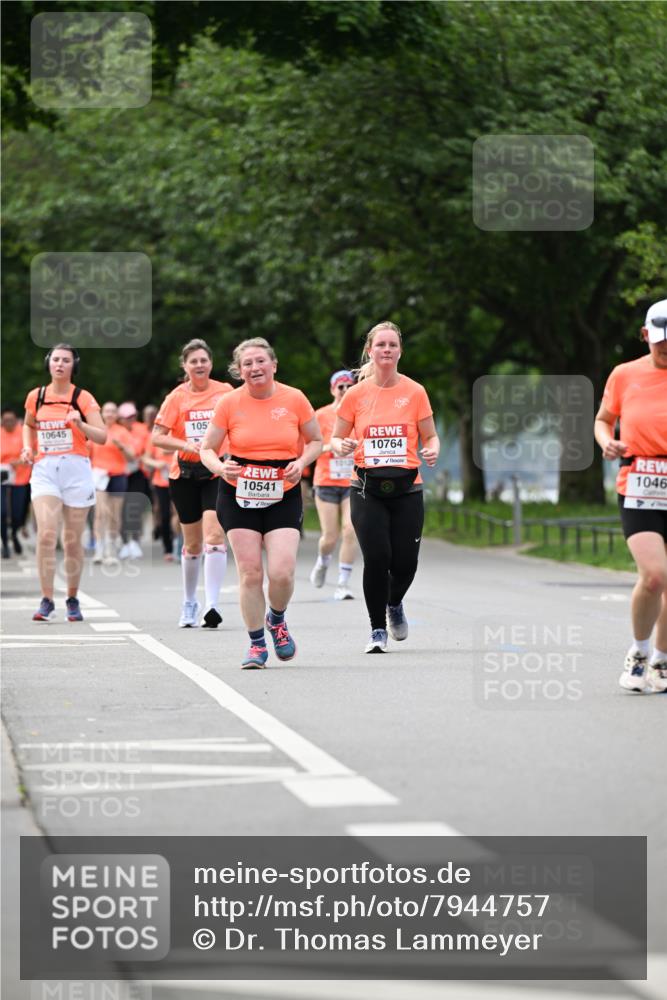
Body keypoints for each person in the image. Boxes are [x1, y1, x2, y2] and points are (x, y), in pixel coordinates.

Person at [200, 337, 322, 669]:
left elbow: (316, 440)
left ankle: (276, 619)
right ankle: (256, 644)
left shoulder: (294, 398)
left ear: (273, 365)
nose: (255, 368)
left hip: (283, 490)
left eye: (260, 361)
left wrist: (302, 461)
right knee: (251, 572)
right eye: (247, 364)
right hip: (238, 492)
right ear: (239, 371)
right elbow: (207, 448)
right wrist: (219, 467)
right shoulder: (229, 402)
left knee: (281, 572)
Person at [332, 321, 440, 653]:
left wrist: (432, 449)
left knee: (406, 564)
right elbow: (335, 438)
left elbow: (430, 436)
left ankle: (394, 603)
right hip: (367, 488)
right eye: (381, 345)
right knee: (378, 558)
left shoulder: (415, 392)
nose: (387, 350)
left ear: (400, 351)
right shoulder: (355, 395)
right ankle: (377, 629)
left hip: (408, 488)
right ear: (370, 350)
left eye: (393, 345)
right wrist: (341, 446)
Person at [594, 298, 667, 693]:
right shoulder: (625, 374)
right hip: (639, 481)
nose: (666, 348)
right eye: (659, 342)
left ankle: (662, 660)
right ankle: (639, 652)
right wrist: (607, 442)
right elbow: (604, 420)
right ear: (645, 336)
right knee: (654, 576)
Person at [21, 344, 106, 622]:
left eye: (65, 360)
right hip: (45, 470)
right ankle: (46, 599)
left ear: (73, 365)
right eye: (55, 359)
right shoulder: (36, 396)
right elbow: (28, 425)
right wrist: (27, 447)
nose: (59, 364)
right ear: (48, 363)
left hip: (76, 469)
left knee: (71, 540)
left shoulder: (83, 398)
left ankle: (72, 597)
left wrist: (80, 424)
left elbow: (102, 436)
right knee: (46, 534)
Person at [153, 339, 233, 627]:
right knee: (193, 543)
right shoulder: (177, 397)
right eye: (193, 361)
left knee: (215, 535)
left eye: (203, 360)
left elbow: (239, 423)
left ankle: (212, 605)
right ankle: (189, 601)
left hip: (215, 471)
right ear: (185, 366)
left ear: (210, 363)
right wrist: (185, 444)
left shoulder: (225, 392)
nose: (199, 365)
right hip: (184, 474)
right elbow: (157, 437)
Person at [309, 370, 358, 600]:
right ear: (332, 390)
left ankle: (342, 584)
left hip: (352, 481)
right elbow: (309, 447)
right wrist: (333, 447)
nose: (345, 390)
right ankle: (323, 561)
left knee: (350, 530)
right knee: (330, 536)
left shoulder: (360, 413)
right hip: (326, 481)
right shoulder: (321, 415)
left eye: (349, 386)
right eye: (341, 387)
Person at [90, 402, 136, 565]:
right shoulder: (96, 430)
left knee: (114, 515)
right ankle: (99, 549)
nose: (109, 414)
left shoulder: (122, 432)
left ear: (117, 415)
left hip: (118, 475)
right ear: (102, 414)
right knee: (100, 513)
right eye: (107, 411)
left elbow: (132, 457)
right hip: (99, 475)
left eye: (113, 411)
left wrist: (121, 447)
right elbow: (87, 453)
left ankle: (111, 549)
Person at [117, 401, 150, 559]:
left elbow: (146, 450)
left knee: (135, 507)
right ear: (120, 419)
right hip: (119, 473)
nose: (131, 419)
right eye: (127, 417)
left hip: (138, 473)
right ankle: (125, 543)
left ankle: (135, 541)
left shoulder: (142, 429)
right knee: (121, 510)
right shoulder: (116, 431)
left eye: (133, 416)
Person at [1, 407, 32, 558]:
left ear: (16, 420)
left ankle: (14, 534)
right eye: (5, 420)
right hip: (2, 477)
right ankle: (5, 544)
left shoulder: (23, 432)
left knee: (17, 513)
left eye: (11, 420)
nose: (9, 423)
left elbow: (33, 452)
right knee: (2, 512)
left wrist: (20, 461)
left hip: (20, 477)